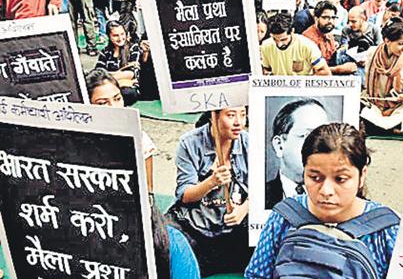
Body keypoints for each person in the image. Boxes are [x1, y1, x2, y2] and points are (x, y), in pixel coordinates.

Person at [246, 123, 400, 279]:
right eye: (315, 178)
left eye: (340, 179)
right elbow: (256, 275)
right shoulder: (284, 217)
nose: (326, 191)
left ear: (362, 176)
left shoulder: (387, 230)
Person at [167, 107, 252, 276]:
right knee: (165, 240)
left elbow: (262, 188)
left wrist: (244, 209)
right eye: (231, 115)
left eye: (242, 115)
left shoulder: (249, 143)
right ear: (213, 117)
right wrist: (212, 181)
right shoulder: (189, 143)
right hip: (195, 224)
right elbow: (185, 195)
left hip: (234, 227)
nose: (238, 122)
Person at [85, 68, 157, 191]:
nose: (114, 107)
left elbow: (148, 190)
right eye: (103, 103)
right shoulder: (79, 140)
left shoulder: (139, 138)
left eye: (117, 99)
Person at [362, 18, 403, 137]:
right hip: (374, 103)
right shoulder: (372, 53)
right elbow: (367, 84)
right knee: (364, 112)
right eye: (400, 43)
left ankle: (395, 129)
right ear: (387, 41)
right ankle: (398, 131)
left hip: (398, 106)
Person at [267, 99, 330, 204]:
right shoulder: (260, 197)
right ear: (279, 145)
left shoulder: (338, 193)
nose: (319, 146)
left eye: (325, 137)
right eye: (305, 135)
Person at [260, 12, 332, 76]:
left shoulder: (307, 45)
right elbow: (266, 70)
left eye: (283, 39)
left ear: (292, 31)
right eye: (275, 39)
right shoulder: (266, 45)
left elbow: (325, 72)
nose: (279, 44)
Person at [95, 20, 141, 106]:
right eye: (115, 35)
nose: (120, 38)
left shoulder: (133, 48)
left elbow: (131, 73)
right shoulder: (105, 52)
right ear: (108, 36)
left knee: (127, 93)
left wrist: (108, 76)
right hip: (110, 88)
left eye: (122, 34)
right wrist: (121, 78)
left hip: (128, 89)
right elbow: (98, 74)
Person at [302, 0, 337, 64]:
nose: (331, 21)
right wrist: (340, 69)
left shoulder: (327, 32)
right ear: (316, 19)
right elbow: (313, 69)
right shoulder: (308, 39)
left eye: (333, 18)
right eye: (326, 17)